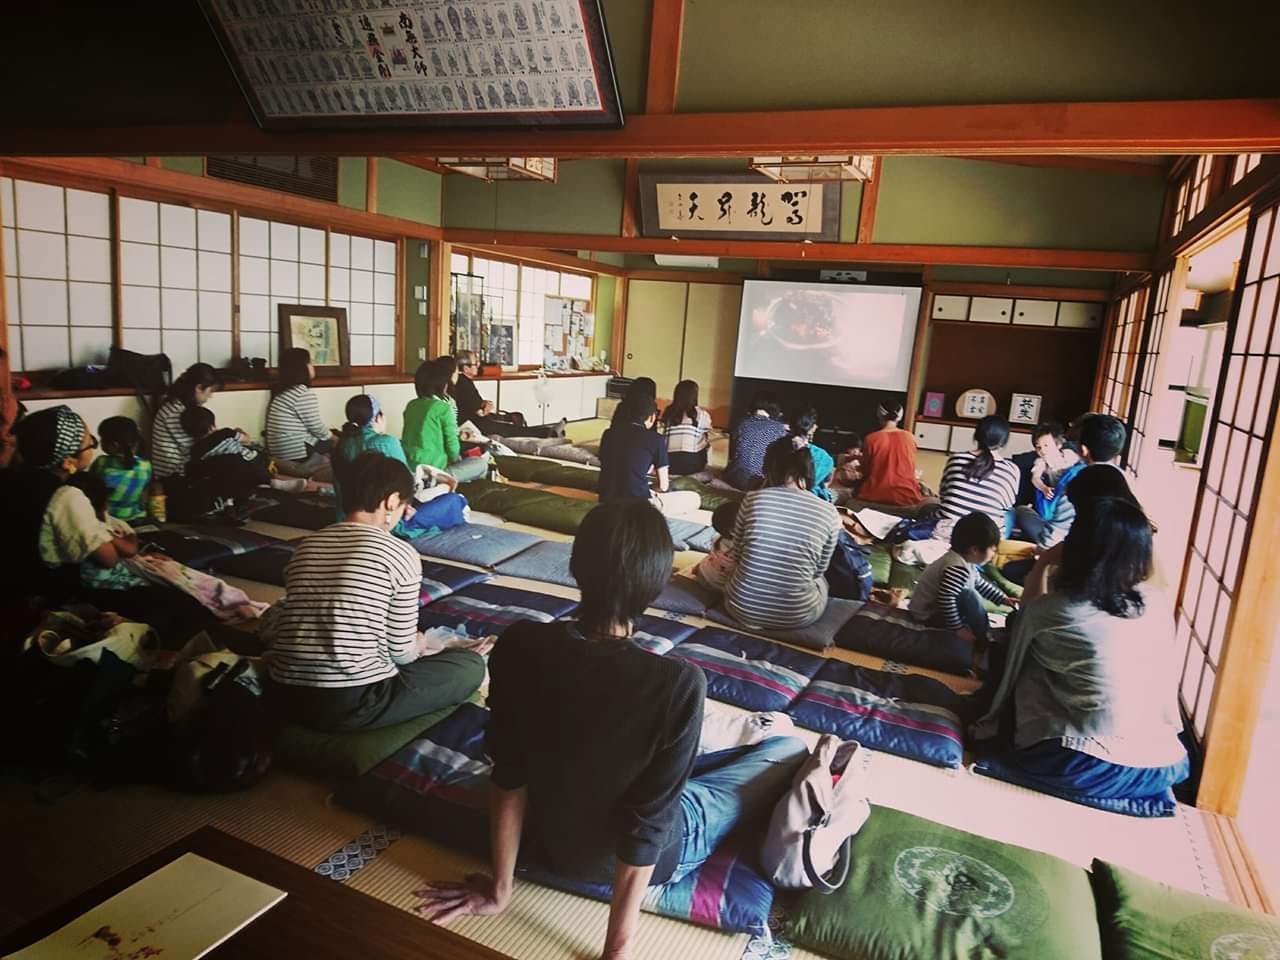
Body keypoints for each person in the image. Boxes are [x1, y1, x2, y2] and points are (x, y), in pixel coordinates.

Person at [416, 502, 806, 958]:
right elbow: (648, 827)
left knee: (670, 758)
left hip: (540, 842)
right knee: (786, 749)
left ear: (575, 566)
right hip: (636, 855)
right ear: (658, 584)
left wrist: (500, 890)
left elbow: (508, 774)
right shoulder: (677, 682)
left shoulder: (518, 643)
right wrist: (616, 951)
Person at [971, 497, 1189, 803]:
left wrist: (1043, 563)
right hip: (1166, 765)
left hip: (1085, 765)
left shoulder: (1053, 609)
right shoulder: (1157, 602)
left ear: (1075, 546)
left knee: (1027, 658)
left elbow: (1013, 651)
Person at [266, 453, 486, 732]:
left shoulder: (307, 545)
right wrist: (418, 643)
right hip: (350, 701)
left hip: (281, 692)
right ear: (391, 501)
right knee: (469, 666)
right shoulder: (399, 553)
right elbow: (401, 654)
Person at [6, 406, 210, 643]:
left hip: (15, 587)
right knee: (189, 609)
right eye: (90, 443)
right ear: (68, 462)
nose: (94, 446)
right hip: (54, 597)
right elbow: (108, 559)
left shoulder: (9, 478)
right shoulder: (66, 496)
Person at [725, 437, 842, 630]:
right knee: (822, 582)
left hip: (740, 607)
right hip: (797, 615)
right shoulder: (829, 512)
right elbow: (818, 570)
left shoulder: (752, 499)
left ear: (769, 467)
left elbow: (737, 555)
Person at [1019, 465, 1144, 603]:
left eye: (1078, 511)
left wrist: (1043, 563)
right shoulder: (1138, 531)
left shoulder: (1094, 536)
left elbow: (1029, 613)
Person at [909, 512, 1015, 643]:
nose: (994, 555)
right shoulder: (956, 567)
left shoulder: (966, 562)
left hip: (935, 610)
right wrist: (957, 629)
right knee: (970, 595)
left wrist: (1003, 599)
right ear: (974, 550)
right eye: (993, 550)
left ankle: (976, 629)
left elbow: (980, 584)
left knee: (971, 593)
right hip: (928, 614)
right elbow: (946, 600)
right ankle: (985, 635)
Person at [597, 394, 702, 517]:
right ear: (652, 417)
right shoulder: (655, 439)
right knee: (694, 498)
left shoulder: (608, 434)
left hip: (606, 500)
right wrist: (649, 487)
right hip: (640, 505)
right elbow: (663, 486)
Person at [934, 415, 1021, 540]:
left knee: (930, 505)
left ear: (976, 435)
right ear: (1004, 442)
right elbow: (1007, 505)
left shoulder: (956, 458)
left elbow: (943, 494)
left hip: (946, 532)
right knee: (1011, 512)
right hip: (985, 541)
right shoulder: (1012, 470)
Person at [402, 359, 490, 483]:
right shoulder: (443, 408)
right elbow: (452, 446)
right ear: (442, 384)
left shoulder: (411, 405)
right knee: (480, 463)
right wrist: (456, 460)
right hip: (435, 469)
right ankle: (438, 482)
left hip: (411, 466)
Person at [180, 406, 274, 519]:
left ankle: (230, 503)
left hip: (229, 478)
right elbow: (247, 439)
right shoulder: (225, 433)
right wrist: (239, 432)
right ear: (211, 427)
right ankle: (271, 482)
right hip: (250, 464)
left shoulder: (195, 451)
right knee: (258, 457)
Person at [450, 352, 564, 439]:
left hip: (475, 419)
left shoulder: (463, 380)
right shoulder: (463, 382)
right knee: (509, 429)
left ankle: (548, 431)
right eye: (475, 364)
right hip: (471, 424)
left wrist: (484, 404)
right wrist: (485, 408)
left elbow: (474, 404)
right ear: (466, 368)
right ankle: (548, 432)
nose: (478, 365)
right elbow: (478, 411)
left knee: (510, 424)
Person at [266, 347, 336, 481]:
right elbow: (316, 427)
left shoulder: (282, 391)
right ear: (301, 369)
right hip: (297, 454)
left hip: (279, 453)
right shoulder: (302, 393)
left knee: (330, 435)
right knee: (341, 440)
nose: (312, 367)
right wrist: (335, 438)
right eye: (310, 363)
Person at [1014, 422, 1085, 547]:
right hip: (1052, 503)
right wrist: (1044, 488)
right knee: (1021, 511)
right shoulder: (1040, 462)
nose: (1043, 450)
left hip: (1069, 500)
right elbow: (1035, 478)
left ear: (1058, 444)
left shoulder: (1069, 455)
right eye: (1038, 447)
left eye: (1046, 445)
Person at [151, 362, 223, 480]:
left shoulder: (180, 406)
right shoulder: (176, 412)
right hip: (173, 474)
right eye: (210, 391)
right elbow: (199, 448)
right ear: (199, 388)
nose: (210, 396)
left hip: (181, 468)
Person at [854, 400, 926, 507]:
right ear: (900, 417)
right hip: (908, 497)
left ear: (879, 415)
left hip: (874, 495)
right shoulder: (910, 437)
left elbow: (866, 470)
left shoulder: (871, 439)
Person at [89, 416, 152, 522]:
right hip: (136, 519)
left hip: (108, 519)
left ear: (114, 445)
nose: (100, 442)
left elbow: (90, 490)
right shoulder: (146, 466)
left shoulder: (102, 463)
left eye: (102, 439)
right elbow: (143, 497)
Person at [724, 391, 790, 490]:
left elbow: (733, 452)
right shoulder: (780, 429)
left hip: (734, 477)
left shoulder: (741, 423)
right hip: (760, 482)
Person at [659, 379, 713, 476]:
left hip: (668, 463)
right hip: (692, 465)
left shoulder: (669, 411)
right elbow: (710, 434)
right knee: (705, 439)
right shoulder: (701, 414)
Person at [789, 408, 834, 501]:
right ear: (813, 428)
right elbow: (826, 481)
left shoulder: (776, 449)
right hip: (811, 500)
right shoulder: (824, 457)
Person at [695, 500, 740, 591]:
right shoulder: (738, 547)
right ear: (733, 531)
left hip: (703, 571)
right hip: (715, 584)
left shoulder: (718, 538)